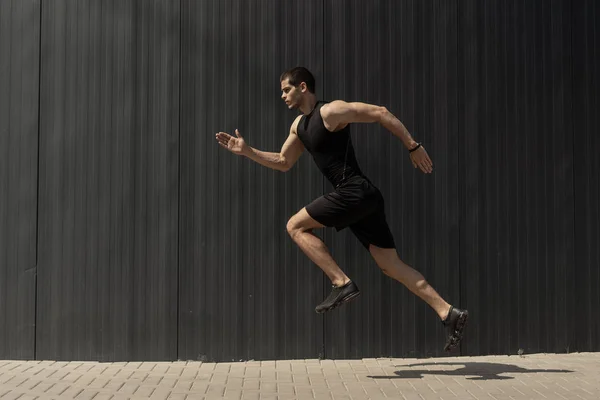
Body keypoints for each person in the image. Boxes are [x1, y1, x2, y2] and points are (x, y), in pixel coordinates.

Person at [215, 67, 468, 351]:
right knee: (390, 266)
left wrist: (412, 146)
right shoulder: (299, 126)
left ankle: (342, 282)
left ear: (302, 86)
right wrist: (248, 151)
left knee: (294, 226)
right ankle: (449, 313)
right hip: (363, 198)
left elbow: (380, 112)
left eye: (286, 90)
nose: (283, 96)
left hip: (355, 190)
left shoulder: (331, 112)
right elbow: (284, 161)